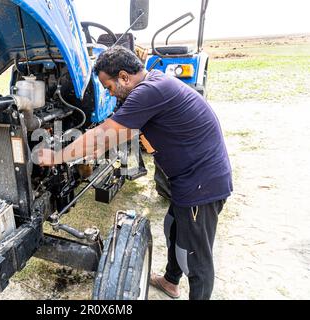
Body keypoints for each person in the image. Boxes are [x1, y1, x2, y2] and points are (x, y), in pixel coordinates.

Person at [37, 46, 233, 300]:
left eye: (108, 87)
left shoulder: (149, 91)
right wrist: (99, 149)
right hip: (187, 179)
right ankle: (170, 281)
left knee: (196, 258)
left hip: (202, 183)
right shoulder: (154, 83)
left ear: (124, 77)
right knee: (173, 227)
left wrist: (56, 157)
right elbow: (125, 130)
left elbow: (101, 134)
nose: (109, 93)